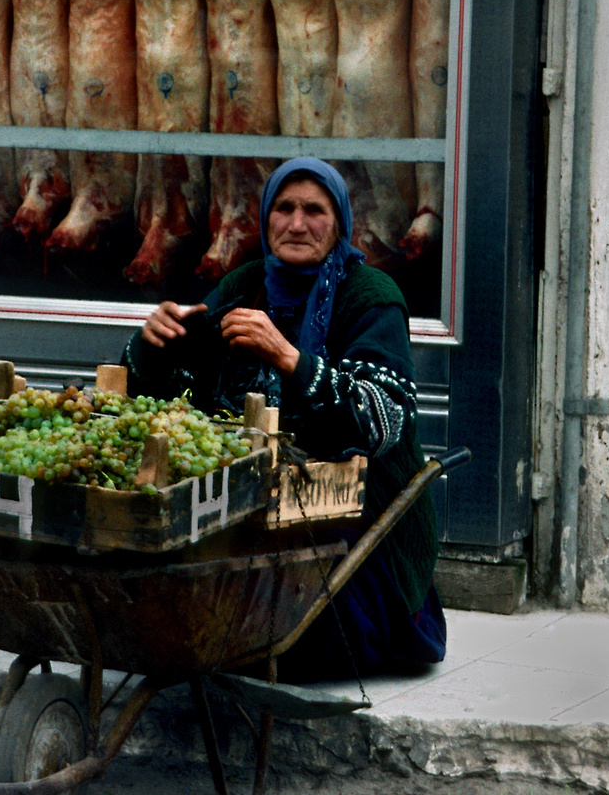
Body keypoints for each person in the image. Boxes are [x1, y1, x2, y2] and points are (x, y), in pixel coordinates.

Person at [122, 157, 445, 682]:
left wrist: (293, 361)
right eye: (285, 208)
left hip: (349, 522)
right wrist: (152, 341)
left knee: (301, 636)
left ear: (339, 223)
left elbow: (386, 422)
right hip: (252, 511)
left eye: (314, 211)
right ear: (266, 218)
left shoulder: (372, 297)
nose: (297, 224)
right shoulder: (242, 286)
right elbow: (168, 392)